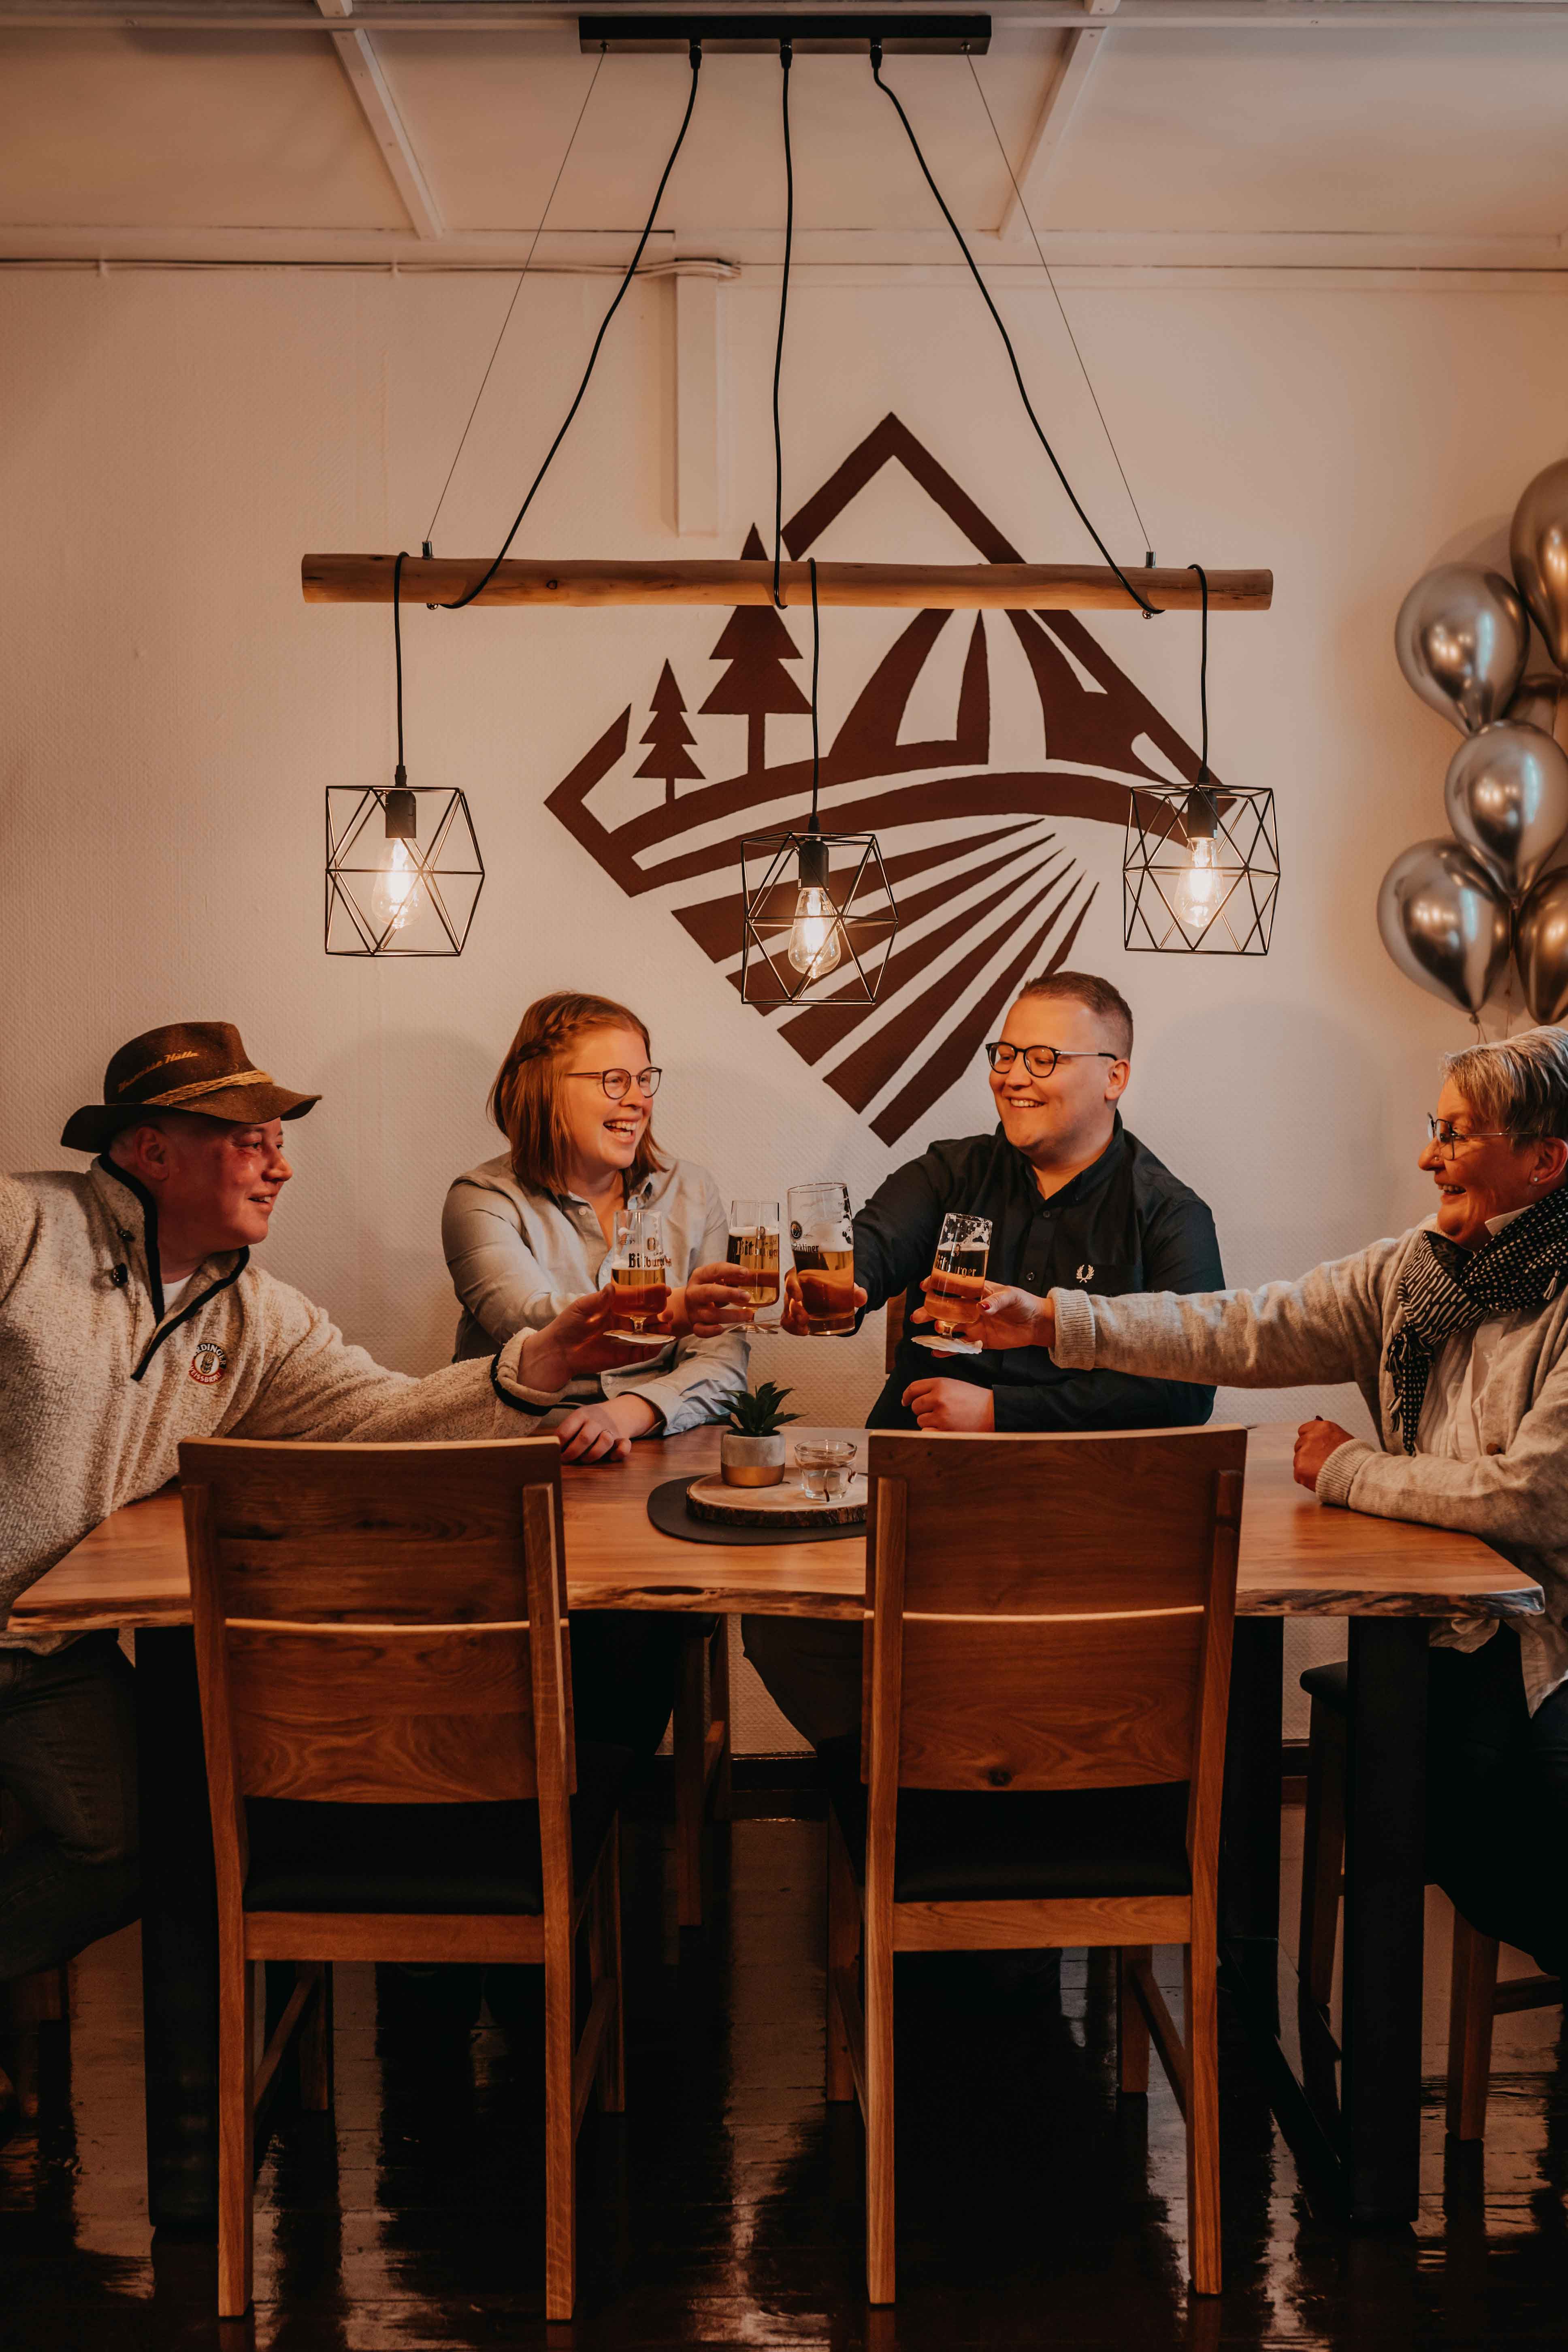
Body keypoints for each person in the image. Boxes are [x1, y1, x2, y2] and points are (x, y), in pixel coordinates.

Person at [0, 1020, 659, 1997]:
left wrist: (541, 1365)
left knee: (143, 1846)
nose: (281, 1166)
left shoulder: (256, 1317)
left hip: (42, 1650)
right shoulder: (22, 1227)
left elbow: (388, 1417)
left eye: (280, 1139)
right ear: (151, 1150)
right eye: (251, 1140)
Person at [930, 1024, 1568, 1980]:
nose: (1427, 1153)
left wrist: (1350, 1468)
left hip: (1543, 1645)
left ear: (1545, 1159)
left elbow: (1533, 1498)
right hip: (1452, 1630)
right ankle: (1289, 2046)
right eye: (1433, 1125)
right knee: (1400, 1785)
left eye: (1459, 1132)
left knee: (1475, 1819)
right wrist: (1056, 1319)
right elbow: (1245, 1325)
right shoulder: (1420, 1269)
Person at [740, 969, 1224, 1748]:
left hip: (1081, 1513)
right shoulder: (950, 1171)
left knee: (1102, 1655)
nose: (1010, 1075)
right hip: (915, 1496)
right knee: (780, 1624)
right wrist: (835, 1288)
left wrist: (1002, 1412)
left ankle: (975, 1802)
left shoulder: (1167, 1213)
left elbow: (1186, 1391)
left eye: (1042, 1058)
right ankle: (897, 1800)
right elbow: (869, 1246)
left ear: (1113, 1076)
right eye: (1004, 1053)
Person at [443, 990, 750, 1455]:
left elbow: (721, 1361)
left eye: (644, 1079)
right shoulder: (481, 1199)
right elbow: (528, 1325)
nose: (637, 1100)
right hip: (524, 1449)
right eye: (613, 1081)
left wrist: (629, 1412)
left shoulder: (692, 1190)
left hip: (659, 1436)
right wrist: (672, 1309)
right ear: (544, 1086)